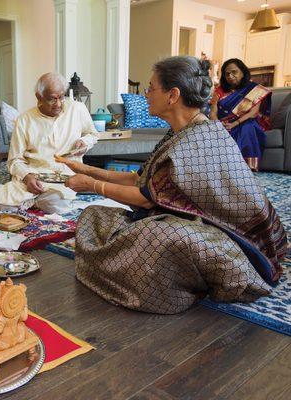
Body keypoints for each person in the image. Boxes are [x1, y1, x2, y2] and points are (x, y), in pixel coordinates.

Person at [58, 56, 287, 314]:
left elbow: (145, 198)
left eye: (151, 88)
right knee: (92, 215)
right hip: (187, 221)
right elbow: (141, 179)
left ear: (172, 95)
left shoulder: (198, 139)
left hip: (237, 243)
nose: (146, 95)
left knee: (157, 236)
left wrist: (91, 185)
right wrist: (86, 169)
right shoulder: (181, 130)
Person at [0, 72, 98, 214]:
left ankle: (28, 201)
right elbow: (14, 160)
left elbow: (93, 134)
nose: (58, 104)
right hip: (34, 175)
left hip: (64, 177)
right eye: (52, 99)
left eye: (61, 97)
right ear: (39, 96)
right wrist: (27, 177)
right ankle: (14, 195)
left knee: (56, 203)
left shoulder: (77, 109)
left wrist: (84, 142)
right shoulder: (24, 120)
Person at [210, 58, 272, 171]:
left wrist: (234, 124)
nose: (230, 76)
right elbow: (213, 112)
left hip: (245, 121)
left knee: (248, 126)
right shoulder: (219, 91)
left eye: (234, 72)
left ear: (243, 72)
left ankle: (248, 167)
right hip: (223, 125)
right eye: (227, 73)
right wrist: (219, 125)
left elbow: (253, 113)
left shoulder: (253, 89)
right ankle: (225, 169)